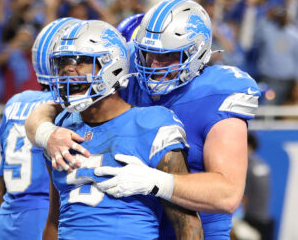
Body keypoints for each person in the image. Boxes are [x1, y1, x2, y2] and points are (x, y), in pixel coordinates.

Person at [25, 0, 261, 239]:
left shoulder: (218, 92)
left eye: (168, 56)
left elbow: (227, 195)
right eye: (149, 53)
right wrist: (47, 134)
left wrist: (156, 181)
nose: (155, 65)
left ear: (196, 52)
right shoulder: (131, 70)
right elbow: (47, 109)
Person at [41, 19, 203, 240]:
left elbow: (187, 224)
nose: (68, 70)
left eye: (80, 61)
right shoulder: (61, 128)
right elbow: (54, 220)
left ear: (112, 65)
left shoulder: (152, 123)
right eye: (62, 63)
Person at [0, 17, 79, 240]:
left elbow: (1, 183)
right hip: (46, 216)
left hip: (7, 216)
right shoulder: (67, 107)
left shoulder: (15, 102)